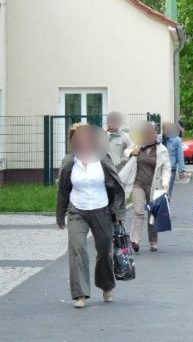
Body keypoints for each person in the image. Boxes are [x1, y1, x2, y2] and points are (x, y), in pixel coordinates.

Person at [56, 123, 125, 308]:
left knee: (104, 251)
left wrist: (118, 212)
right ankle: (80, 294)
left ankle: (106, 285)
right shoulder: (70, 161)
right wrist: (60, 214)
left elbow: (117, 185)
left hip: (101, 209)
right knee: (78, 249)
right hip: (77, 210)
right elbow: (63, 189)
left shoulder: (102, 159)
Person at [123, 122, 170, 252]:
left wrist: (165, 183)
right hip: (138, 183)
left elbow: (166, 168)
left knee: (152, 214)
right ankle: (135, 240)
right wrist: (133, 151)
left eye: (153, 133)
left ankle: (153, 241)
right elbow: (126, 152)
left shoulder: (162, 149)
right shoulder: (138, 144)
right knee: (138, 211)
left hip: (155, 185)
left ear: (156, 134)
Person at [162, 122, 186, 197]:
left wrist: (181, 170)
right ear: (163, 130)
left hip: (171, 169)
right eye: (167, 129)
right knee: (159, 191)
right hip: (159, 169)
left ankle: (166, 207)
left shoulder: (177, 140)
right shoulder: (158, 139)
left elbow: (180, 156)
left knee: (167, 191)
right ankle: (159, 207)